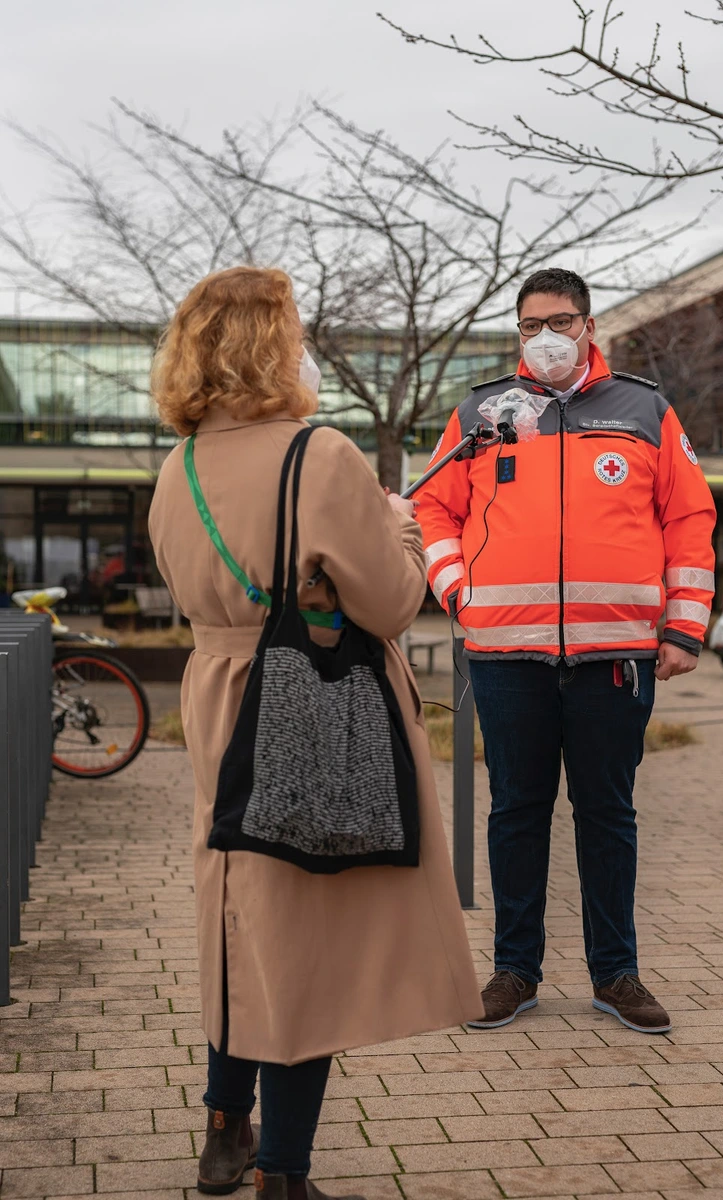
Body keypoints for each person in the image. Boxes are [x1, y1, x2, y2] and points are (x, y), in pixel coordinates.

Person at [148, 266, 481, 1200]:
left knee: (237, 915)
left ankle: (225, 1126)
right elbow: (393, 602)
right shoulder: (320, 454)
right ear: (273, 344)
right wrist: (400, 527)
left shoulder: (176, 467)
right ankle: (284, 1174)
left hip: (219, 697)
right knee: (306, 938)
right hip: (308, 699)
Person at [417, 267, 716, 1036]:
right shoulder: (483, 413)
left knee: (607, 814)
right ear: (516, 332)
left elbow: (688, 517)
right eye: (530, 325)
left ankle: (616, 974)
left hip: (614, 655)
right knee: (515, 813)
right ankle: (514, 971)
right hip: (504, 652)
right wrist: (457, 592)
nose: (545, 337)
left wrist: (683, 627)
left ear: (589, 326)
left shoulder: (645, 409)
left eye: (560, 322)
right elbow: (431, 508)